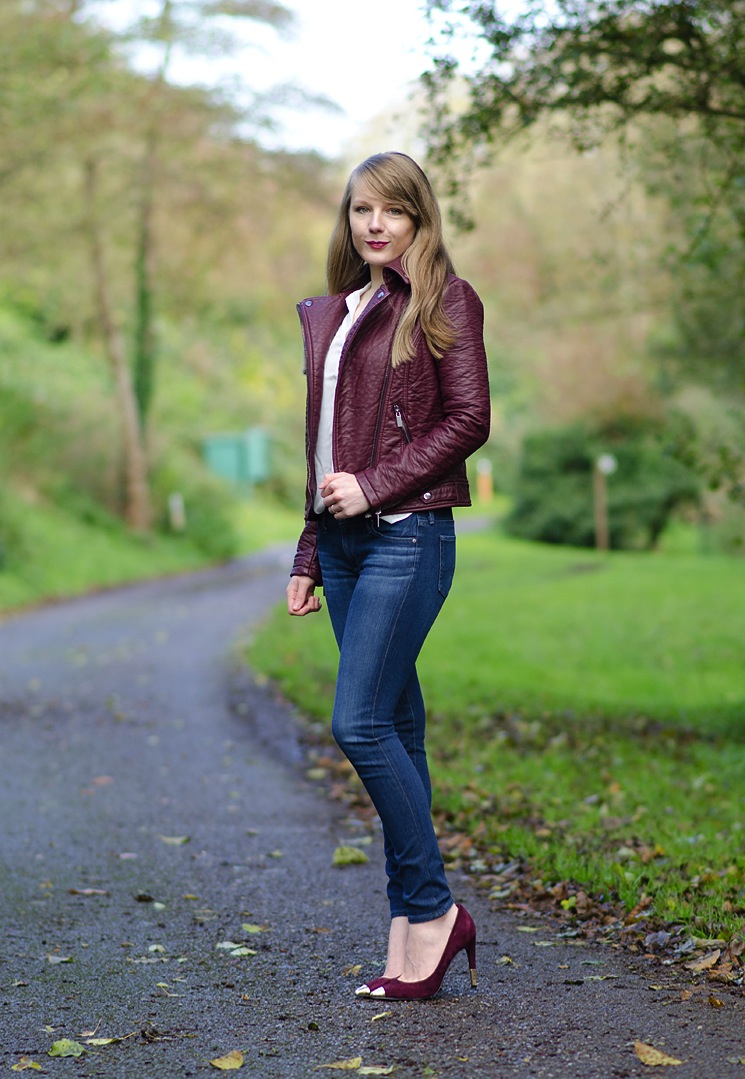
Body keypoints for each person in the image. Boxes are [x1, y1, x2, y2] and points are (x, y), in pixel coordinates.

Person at [286, 151, 490, 1001]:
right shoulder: (339, 312)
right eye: (361, 209)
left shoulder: (444, 298)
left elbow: (468, 418)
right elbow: (324, 441)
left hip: (407, 537)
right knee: (397, 728)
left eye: (392, 210)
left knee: (359, 723)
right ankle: (410, 928)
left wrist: (373, 484)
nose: (373, 224)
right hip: (344, 546)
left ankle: (436, 910)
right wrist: (309, 550)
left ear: (418, 217)